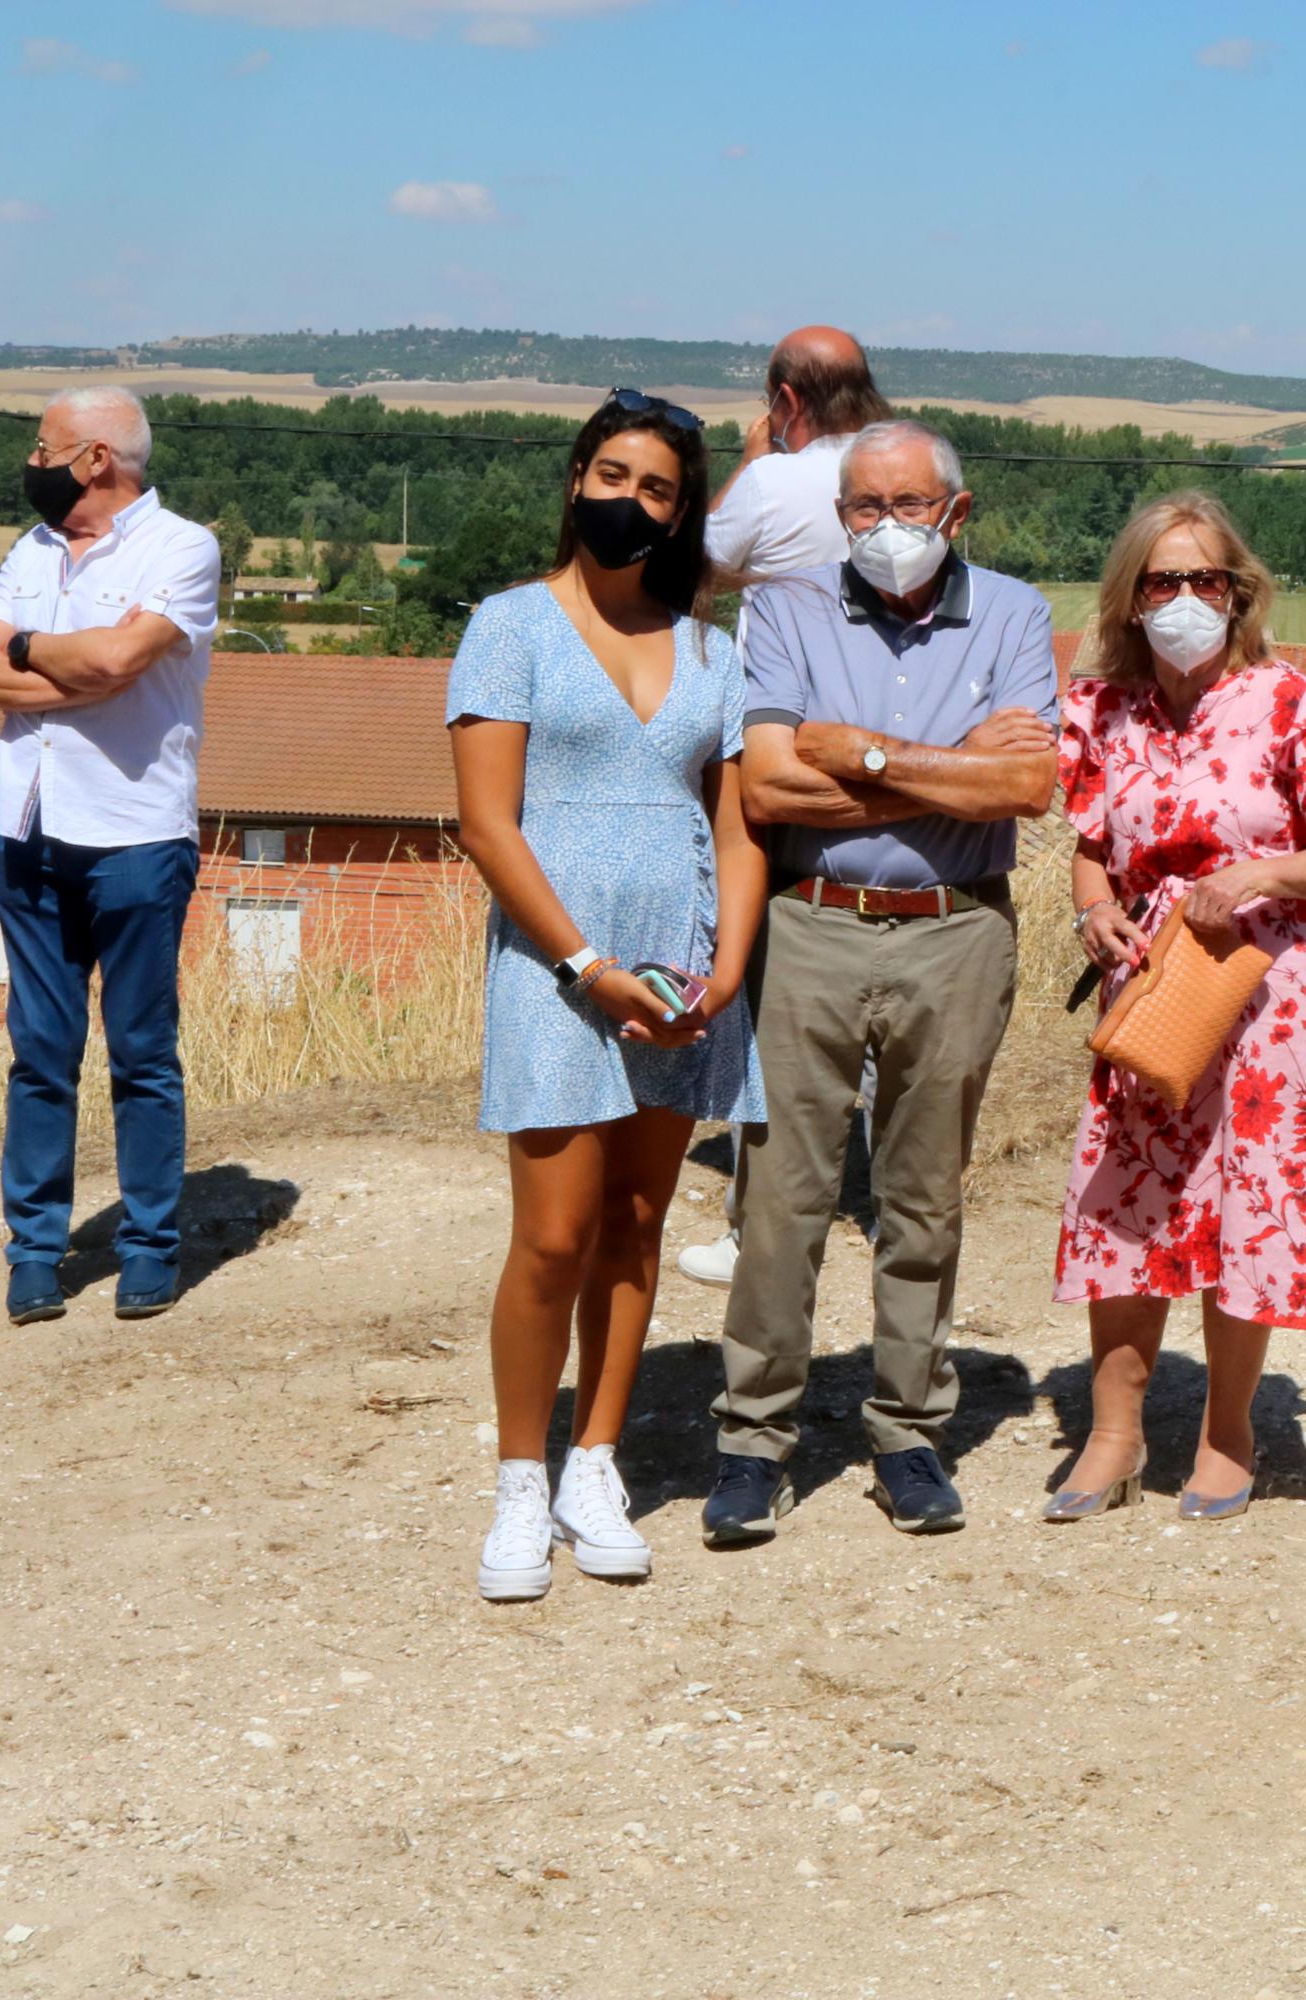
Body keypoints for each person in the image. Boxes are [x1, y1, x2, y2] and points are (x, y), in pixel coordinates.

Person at [704, 419, 1057, 1546]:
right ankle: (754, 1438)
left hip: (956, 934)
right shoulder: (789, 605)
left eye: (910, 507)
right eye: (865, 507)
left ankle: (908, 1430)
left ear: (955, 512)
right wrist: (954, 771)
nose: (887, 528)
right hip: (812, 926)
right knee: (781, 1197)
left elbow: (1033, 782)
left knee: (922, 1193)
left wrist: (856, 751)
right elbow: (766, 788)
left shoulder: (1012, 611)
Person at [447, 390, 767, 1603]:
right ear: (577, 474)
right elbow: (487, 821)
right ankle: (520, 1476)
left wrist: (728, 964)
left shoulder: (712, 650)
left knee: (636, 1223)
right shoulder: (508, 626)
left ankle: (597, 1459)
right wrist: (586, 964)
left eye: (658, 488)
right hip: (558, 971)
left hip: (685, 970)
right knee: (554, 1233)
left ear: (680, 512)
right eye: (613, 474)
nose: (629, 500)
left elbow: (737, 828)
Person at [1048, 493, 1306, 1523]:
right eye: (1164, 580)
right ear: (1132, 597)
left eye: (1207, 580)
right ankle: (1112, 1433)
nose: (1187, 597)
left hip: (1264, 992)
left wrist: (1262, 872)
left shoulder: (1293, 704)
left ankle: (1229, 1431)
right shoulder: (1100, 709)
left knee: (1248, 1197)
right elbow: (1094, 848)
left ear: (1239, 594)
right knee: (1125, 1201)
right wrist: (1093, 913)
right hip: (1151, 988)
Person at [0, 386, 221, 1327]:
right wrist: (59, 662)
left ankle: (149, 1246)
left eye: (44, 445)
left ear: (96, 457)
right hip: (28, 829)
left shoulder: (182, 548)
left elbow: (115, 665)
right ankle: (36, 1252)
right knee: (40, 1052)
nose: (32, 459)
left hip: (135, 836)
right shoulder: (31, 551)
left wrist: (26, 652)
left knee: (142, 1051)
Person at [680, 326, 895, 1289]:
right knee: (894, 988)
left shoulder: (775, 481)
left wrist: (750, 457)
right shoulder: (906, 469)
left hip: (781, 746)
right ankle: (896, 1203)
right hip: (892, 753)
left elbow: (697, 565)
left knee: (772, 995)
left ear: (784, 398)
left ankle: (753, 1222)